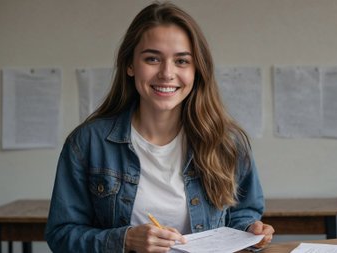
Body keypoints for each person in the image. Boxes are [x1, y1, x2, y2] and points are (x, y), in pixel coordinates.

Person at [45, 2, 274, 252]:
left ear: (197, 70)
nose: (167, 73)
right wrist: (127, 240)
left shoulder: (227, 142)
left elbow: (243, 215)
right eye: (152, 59)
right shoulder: (87, 143)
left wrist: (251, 232)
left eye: (181, 61)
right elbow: (61, 234)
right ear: (130, 65)